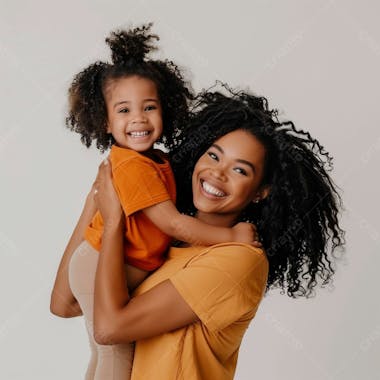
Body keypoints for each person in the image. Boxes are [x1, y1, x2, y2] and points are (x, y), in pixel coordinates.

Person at [89, 87, 345, 379]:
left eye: (240, 171)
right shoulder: (167, 241)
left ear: (261, 192)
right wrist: (99, 196)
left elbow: (110, 329)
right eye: (213, 155)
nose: (218, 173)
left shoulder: (238, 260)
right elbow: (65, 303)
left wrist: (113, 223)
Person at [50, 26, 258, 380]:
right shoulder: (132, 166)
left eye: (149, 107)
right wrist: (234, 237)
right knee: (114, 358)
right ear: (105, 120)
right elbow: (173, 223)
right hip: (99, 258)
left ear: (166, 109)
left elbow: (93, 318)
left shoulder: (155, 164)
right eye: (124, 110)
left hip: (104, 257)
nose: (139, 119)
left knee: (105, 357)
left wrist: (109, 216)